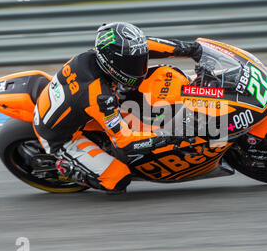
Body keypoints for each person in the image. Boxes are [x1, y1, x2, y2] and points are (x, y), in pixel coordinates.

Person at [32, 22, 202, 193]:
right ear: (112, 63)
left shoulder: (103, 53)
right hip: (63, 137)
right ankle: (66, 167)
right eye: (131, 64)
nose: (139, 66)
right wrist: (170, 136)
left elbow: (147, 45)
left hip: (78, 107)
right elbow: (126, 142)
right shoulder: (99, 96)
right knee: (118, 180)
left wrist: (192, 49)